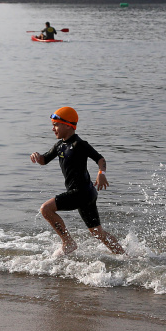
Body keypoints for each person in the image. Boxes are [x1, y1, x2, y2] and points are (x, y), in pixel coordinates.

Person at [30, 106, 125, 256]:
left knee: (46, 209)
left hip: (81, 192)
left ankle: (68, 242)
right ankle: (124, 256)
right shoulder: (59, 145)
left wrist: (102, 173)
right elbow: (44, 160)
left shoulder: (79, 144)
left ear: (68, 125)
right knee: (97, 233)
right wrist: (37, 156)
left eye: (56, 125)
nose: (53, 129)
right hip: (86, 194)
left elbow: (100, 159)